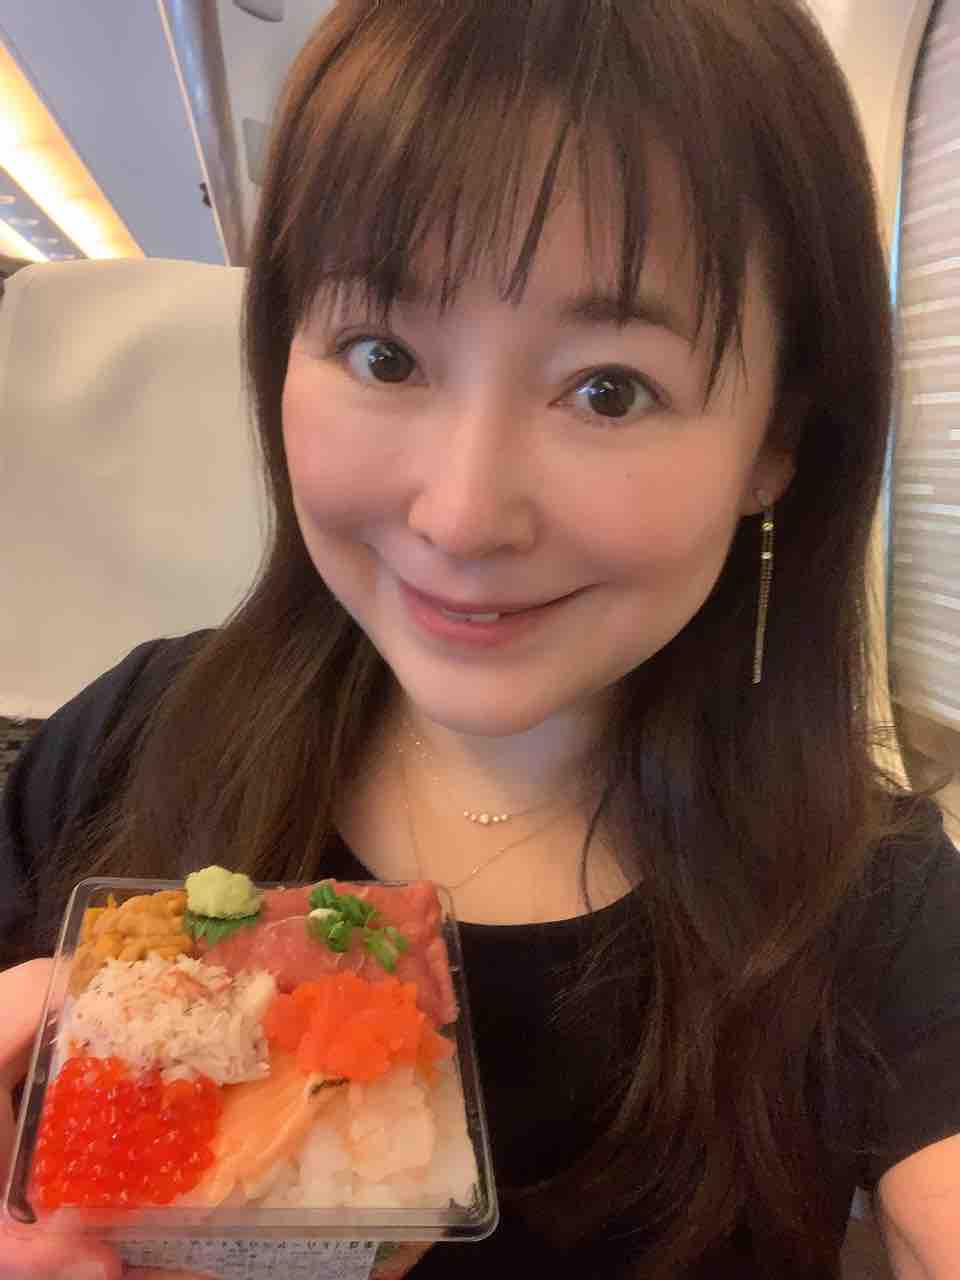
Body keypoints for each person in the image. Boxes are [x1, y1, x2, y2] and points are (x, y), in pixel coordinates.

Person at [2, 1, 959, 1276]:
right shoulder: (128, 740)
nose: (460, 514)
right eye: (384, 354)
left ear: (775, 442)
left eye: (608, 389)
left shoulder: (873, 900)